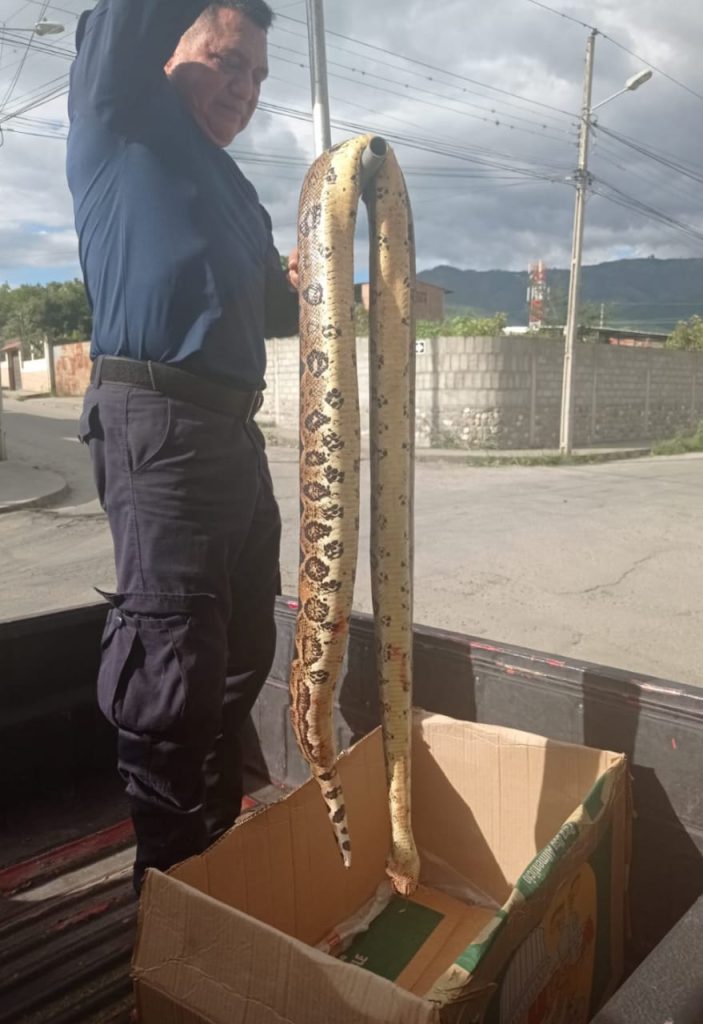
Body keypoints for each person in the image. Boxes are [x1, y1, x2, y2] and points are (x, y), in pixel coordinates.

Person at [66, 0, 299, 894]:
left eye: (255, 78)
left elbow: (278, 311)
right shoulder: (123, 115)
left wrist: (324, 266)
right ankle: (169, 887)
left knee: (241, 641)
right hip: (157, 421)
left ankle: (209, 827)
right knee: (170, 661)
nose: (241, 88)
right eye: (226, 59)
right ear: (170, 48)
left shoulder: (234, 190)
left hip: (233, 431)